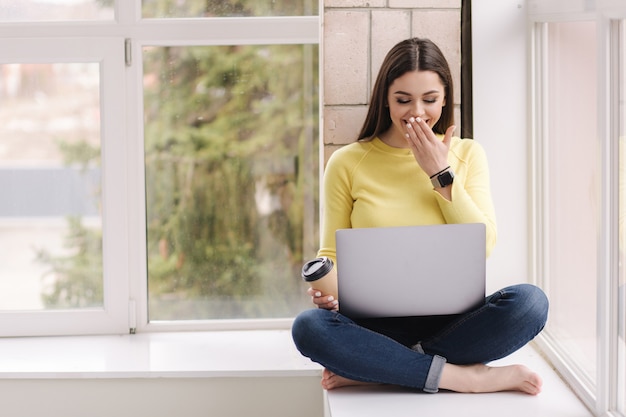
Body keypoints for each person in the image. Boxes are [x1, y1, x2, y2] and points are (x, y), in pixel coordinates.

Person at [291, 37, 549, 395]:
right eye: (403, 100)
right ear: (385, 98)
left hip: (455, 324)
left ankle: (384, 367)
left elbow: (484, 243)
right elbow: (331, 255)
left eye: (429, 100)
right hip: (374, 326)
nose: (416, 112)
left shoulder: (467, 154)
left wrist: (440, 174)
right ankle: (463, 378)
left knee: (531, 303)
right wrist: (328, 293)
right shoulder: (348, 162)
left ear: (445, 98)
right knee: (308, 327)